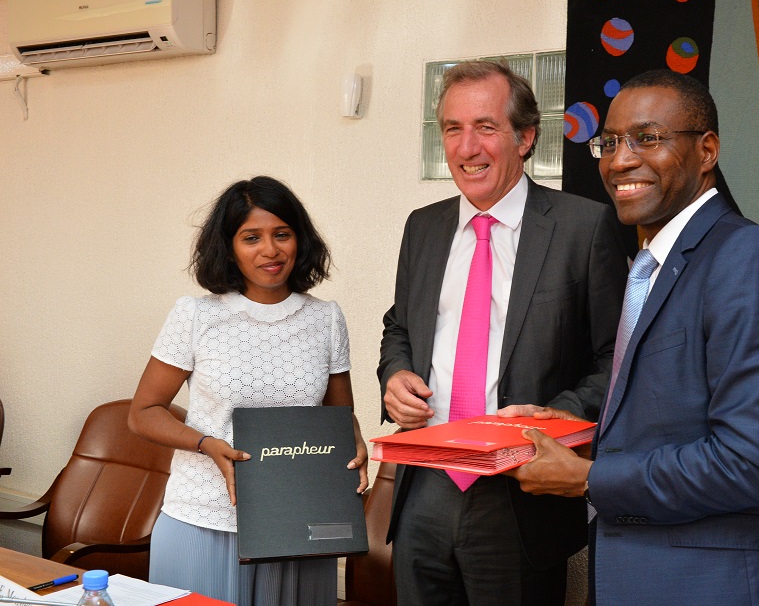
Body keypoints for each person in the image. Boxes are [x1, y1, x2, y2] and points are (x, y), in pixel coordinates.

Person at [502, 69, 759, 605]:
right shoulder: (652, 264)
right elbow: (666, 415)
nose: (620, 160)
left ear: (707, 150)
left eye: (648, 138)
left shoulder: (748, 259)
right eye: (609, 142)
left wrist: (588, 477)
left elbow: (751, 464)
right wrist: (584, 429)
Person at [378, 60, 627, 605]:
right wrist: (395, 374)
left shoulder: (584, 228)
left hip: (522, 491)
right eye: (453, 128)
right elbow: (399, 326)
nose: (467, 147)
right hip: (425, 483)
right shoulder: (423, 227)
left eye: (486, 127)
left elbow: (618, 359)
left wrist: (552, 416)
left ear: (526, 136)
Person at [128, 175, 368, 605]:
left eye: (282, 234)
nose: (270, 250)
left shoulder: (326, 319)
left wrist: (355, 442)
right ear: (230, 247)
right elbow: (143, 412)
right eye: (251, 237)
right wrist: (206, 444)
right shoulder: (196, 316)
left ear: (300, 240)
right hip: (205, 519)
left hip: (297, 525)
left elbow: (337, 419)